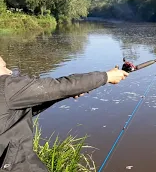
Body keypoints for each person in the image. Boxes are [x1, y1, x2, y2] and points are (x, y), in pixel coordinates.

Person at [0, 56, 129, 172]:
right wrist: (106, 76)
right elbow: (62, 85)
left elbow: (21, 111)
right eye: (4, 67)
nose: (10, 71)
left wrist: (66, 94)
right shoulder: (5, 87)